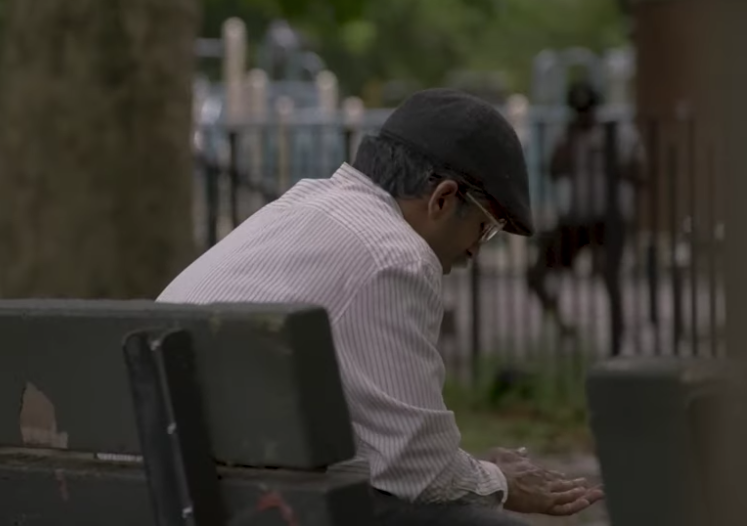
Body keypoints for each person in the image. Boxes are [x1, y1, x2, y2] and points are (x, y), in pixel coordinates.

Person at [159, 88, 603, 525]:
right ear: (443, 198)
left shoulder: (302, 204)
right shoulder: (395, 256)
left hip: (161, 491)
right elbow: (418, 471)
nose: (474, 253)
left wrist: (472, 472)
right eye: (485, 228)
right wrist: (500, 482)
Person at [527, 80, 645, 355]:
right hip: (577, 218)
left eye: (587, 110)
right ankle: (563, 326)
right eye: (577, 111)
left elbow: (641, 175)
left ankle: (618, 341)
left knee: (609, 276)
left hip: (611, 217)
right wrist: (569, 141)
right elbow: (554, 171)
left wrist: (612, 162)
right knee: (536, 274)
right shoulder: (569, 136)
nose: (583, 117)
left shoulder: (620, 133)